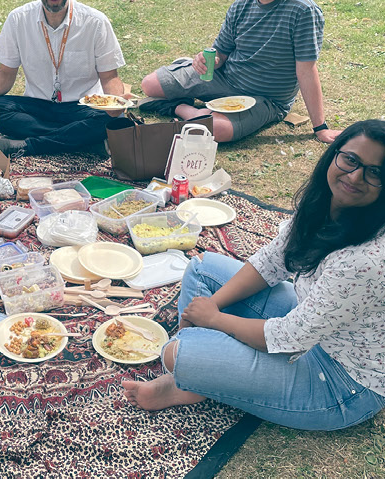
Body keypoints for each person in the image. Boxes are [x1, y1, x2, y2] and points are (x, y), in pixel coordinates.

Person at [126, 121, 385, 432]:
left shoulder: (365, 260)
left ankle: (192, 374)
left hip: (340, 383)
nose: (355, 176)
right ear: (334, 154)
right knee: (202, 270)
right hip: (314, 325)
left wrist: (214, 319)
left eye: (375, 172)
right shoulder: (323, 203)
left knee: (176, 353)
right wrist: (207, 308)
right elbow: (272, 262)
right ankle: (197, 377)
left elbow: (291, 338)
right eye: (351, 160)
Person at [140, 0, 339, 145]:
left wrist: (320, 128)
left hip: (266, 99)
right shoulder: (242, 4)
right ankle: (196, 92)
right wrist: (207, 60)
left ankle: (180, 107)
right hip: (226, 79)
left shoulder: (303, 10)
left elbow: (306, 71)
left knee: (216, 130)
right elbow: (221, 52)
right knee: (150, 85)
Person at [0, 0, 127, 156]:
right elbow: (6, 72)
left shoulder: (96, 22)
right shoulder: (18, 19)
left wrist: (117, 101)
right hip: (39, 108)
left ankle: (28, 146)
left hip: (83, 107)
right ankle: (80, 141)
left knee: (115, 120)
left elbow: (109, 76)